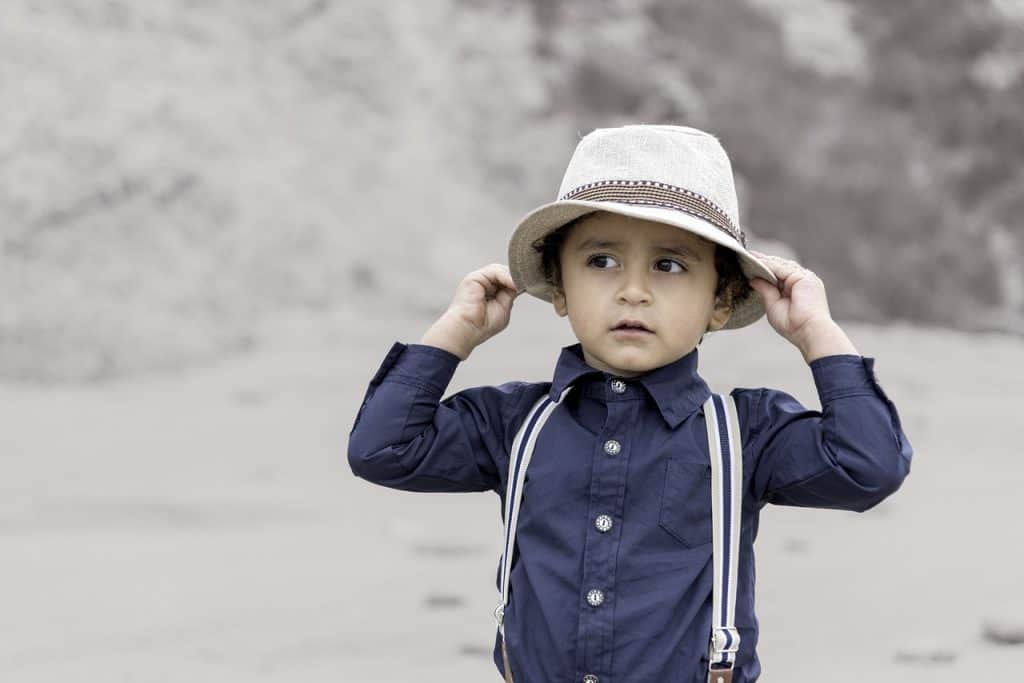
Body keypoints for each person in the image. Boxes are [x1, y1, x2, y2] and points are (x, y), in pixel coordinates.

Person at [347, 124, 913, 683]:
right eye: (601, 262)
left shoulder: (744, 434)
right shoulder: (515, 424)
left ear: (721, 301)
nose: (632, 290)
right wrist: (456, 332)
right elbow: (383, 448)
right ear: (560, 289)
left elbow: (868, 465)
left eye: (669, 265)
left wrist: (817, 333)